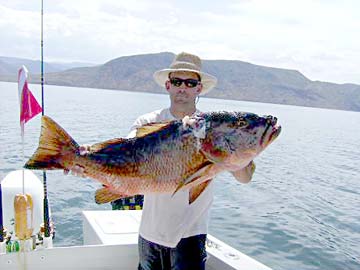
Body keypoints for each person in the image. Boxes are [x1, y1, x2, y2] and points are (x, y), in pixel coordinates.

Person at [69, 52, 255, 270]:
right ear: (168, 85)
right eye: (177, 81)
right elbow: (124, 154)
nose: (182, 88)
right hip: (150, 233)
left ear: (199, 88)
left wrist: (234, 153)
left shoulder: (214, 129)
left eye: (190, 82)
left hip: (190, 236)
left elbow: (245, 177)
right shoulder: (148, 121)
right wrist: (85, 157)